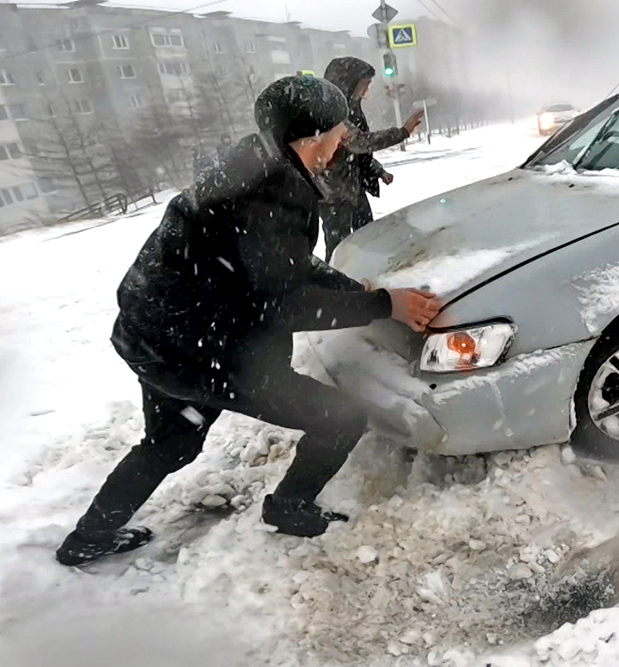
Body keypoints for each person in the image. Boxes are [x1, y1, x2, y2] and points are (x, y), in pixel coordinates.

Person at [55, 75, 442, 567]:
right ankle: (290, 507)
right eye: (339, 129)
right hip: (207, 350)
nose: (344, 137)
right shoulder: (272, 195)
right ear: (309, 138)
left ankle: (89, 537)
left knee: (170, 442)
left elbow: (283, 266)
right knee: (340, 418)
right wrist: (385, 305)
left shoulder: (250, 165)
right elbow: (280, 303)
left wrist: (350, 289)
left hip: (154, 336)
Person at [320, 56, 425, 263]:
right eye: (364, 84)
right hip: (332, 194)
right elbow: (359, 142)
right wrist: (402, 132)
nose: (366, 90)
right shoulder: (330, 112)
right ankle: (336, 286)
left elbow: (356, 154)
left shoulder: (352, 107)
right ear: (347, 83)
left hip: (353, 188)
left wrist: (377, 170)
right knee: (339, 247)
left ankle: (366, 274)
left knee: (367, 236)